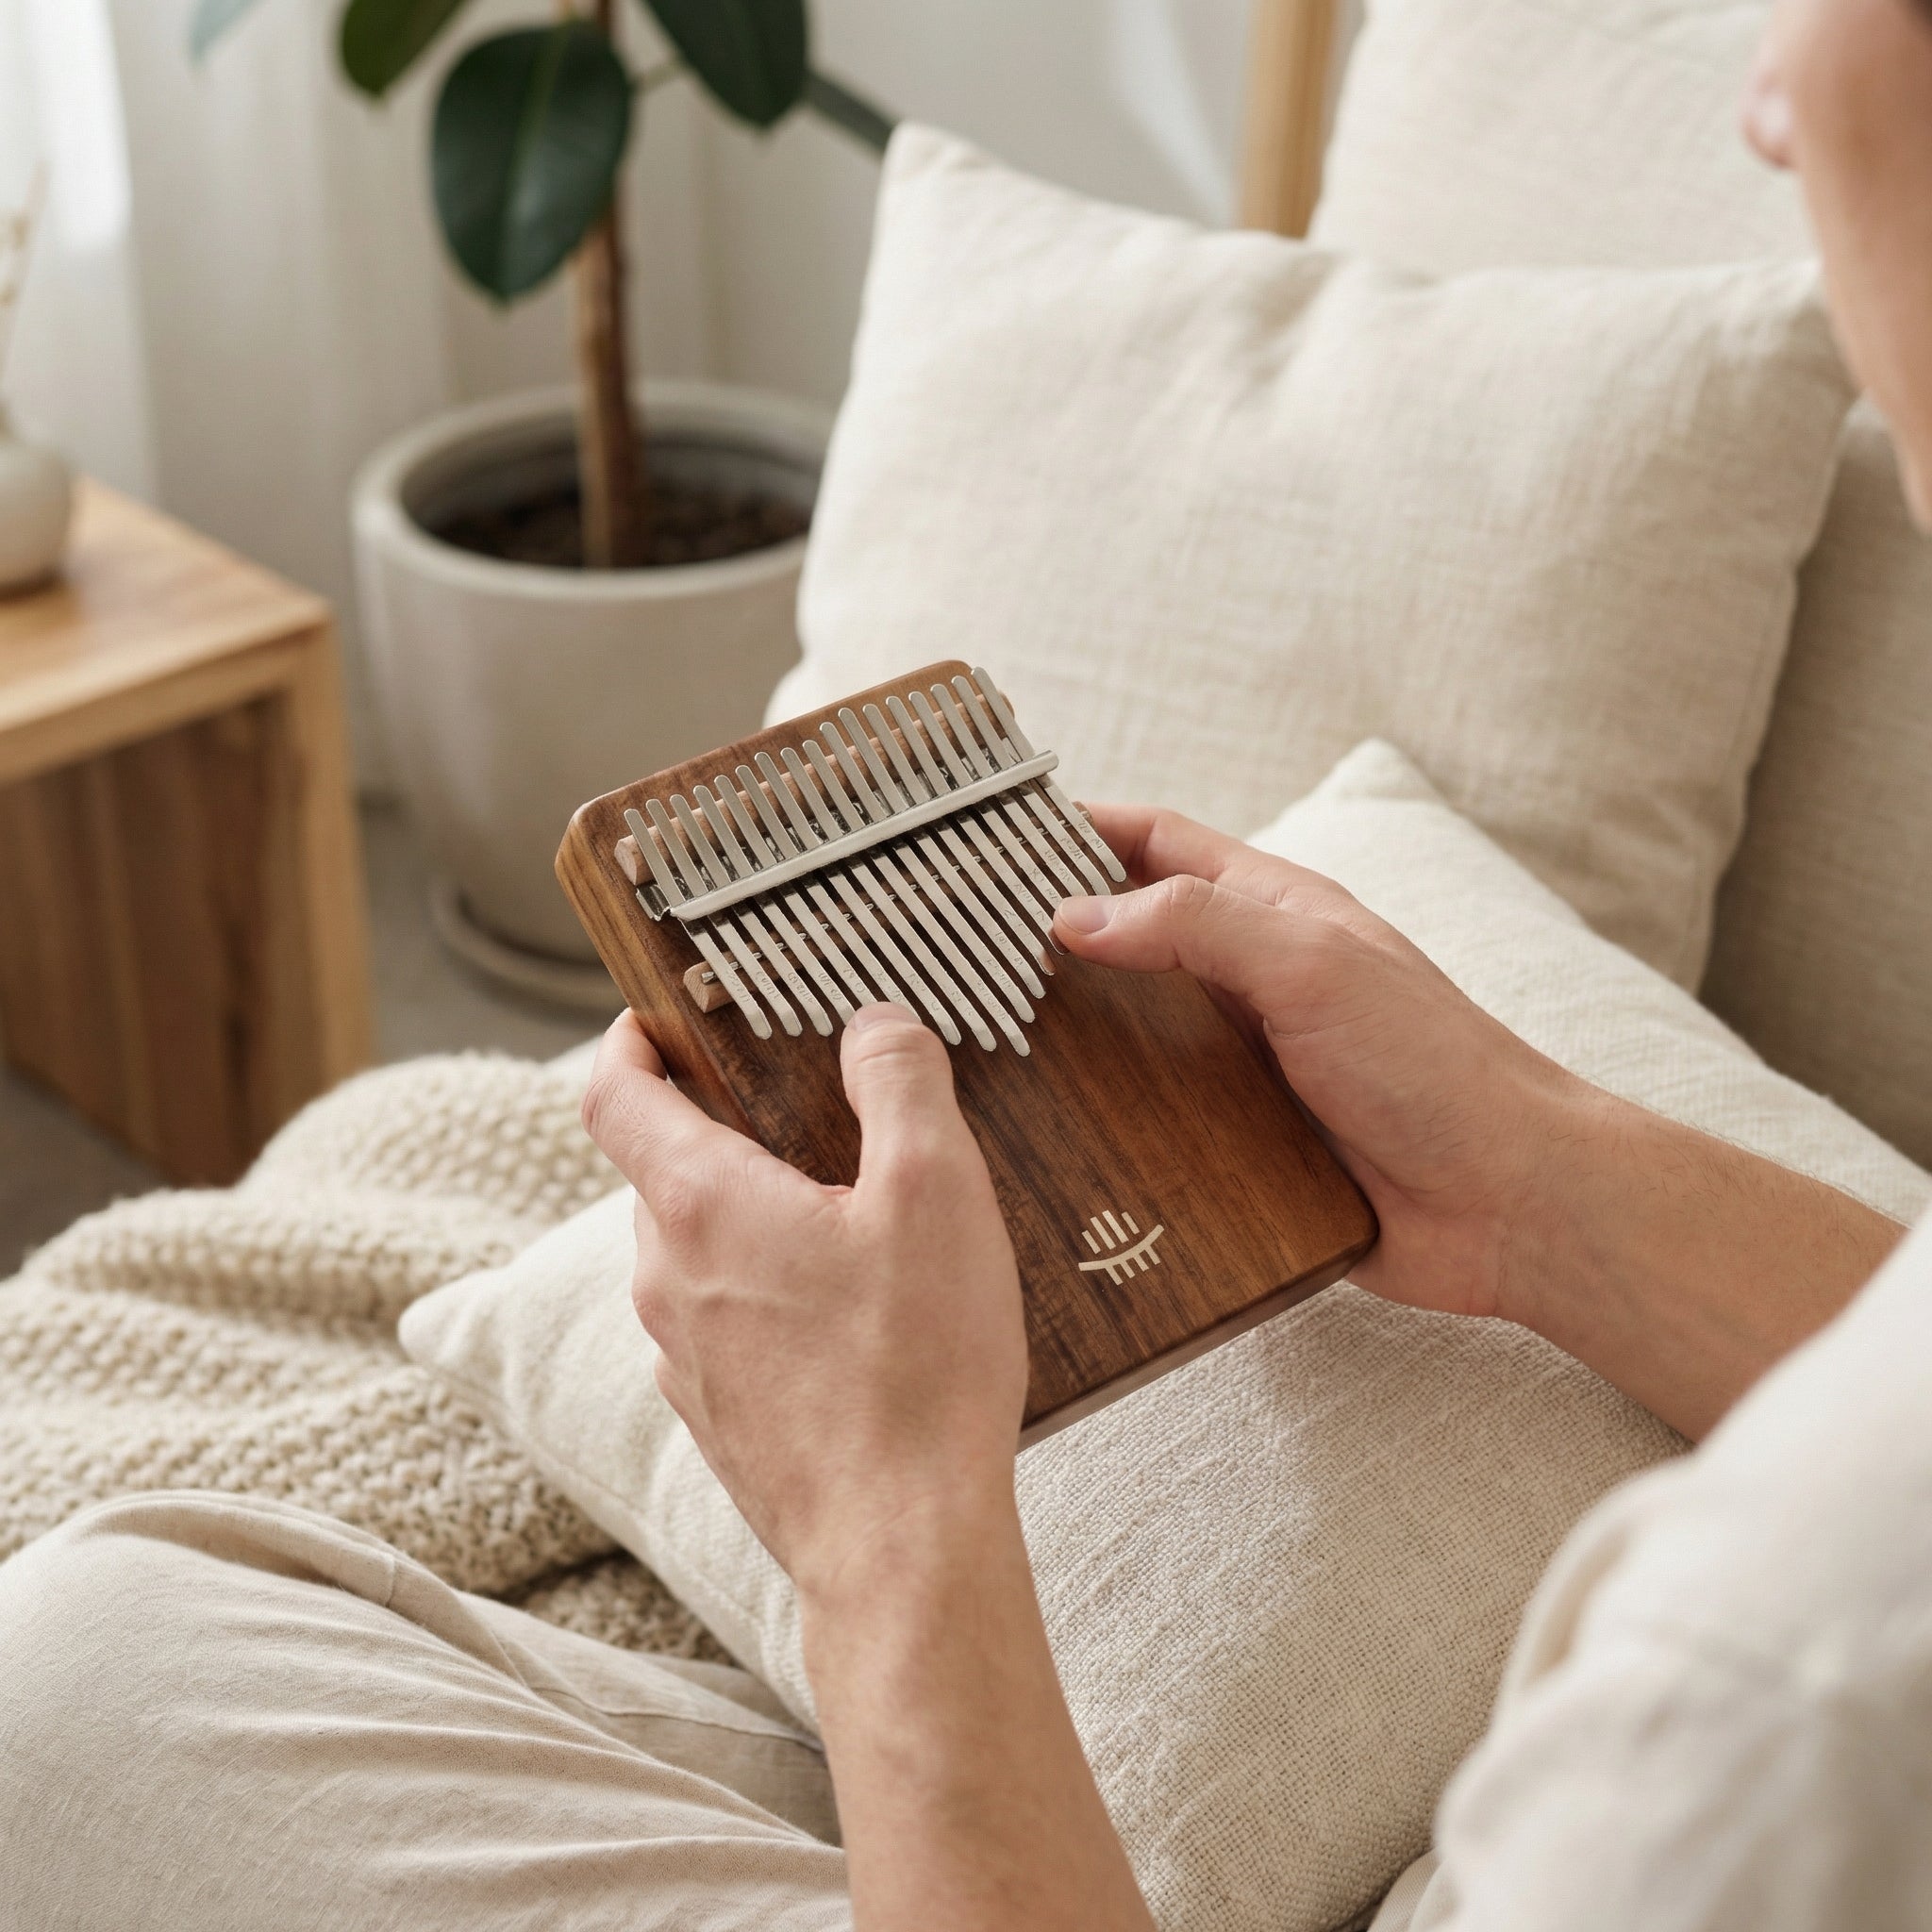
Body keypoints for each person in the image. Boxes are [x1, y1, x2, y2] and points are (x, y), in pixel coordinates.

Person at [3, 0, 1928, 1925]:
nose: (1761, 102)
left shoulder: (1773, 1690)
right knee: (89, 1666)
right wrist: (1529, 1174)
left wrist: (883, 1527)